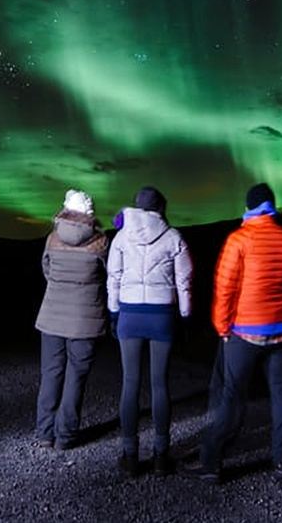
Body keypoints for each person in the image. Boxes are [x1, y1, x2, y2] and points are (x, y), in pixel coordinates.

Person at [187, 182, 282, 483]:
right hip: (281, 331)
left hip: (245, 331)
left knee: (232, 396)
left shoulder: (238, 239)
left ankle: (211, 464)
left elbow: (225, 288)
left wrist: (222, 327)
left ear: (249, 207)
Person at [106, 185, 193, 477]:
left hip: (130, 314)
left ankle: (130, 456)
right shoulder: (173, 237)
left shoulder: (121, 237)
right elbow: (184, 281)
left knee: (130, 383)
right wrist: (185, 315)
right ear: (161, 207)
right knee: (160, 384)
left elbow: (113, 277)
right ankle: (160, 456)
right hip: (161, 316)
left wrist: (114, 311)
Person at [34, 189, 110, 451]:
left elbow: (47, 270)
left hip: (51, 318)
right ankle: (65, 436)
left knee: (50, 374)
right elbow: (106, 275)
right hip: (85, 322)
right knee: (76, 377)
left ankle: (45, 433)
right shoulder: (100, 242)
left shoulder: (53, 239)